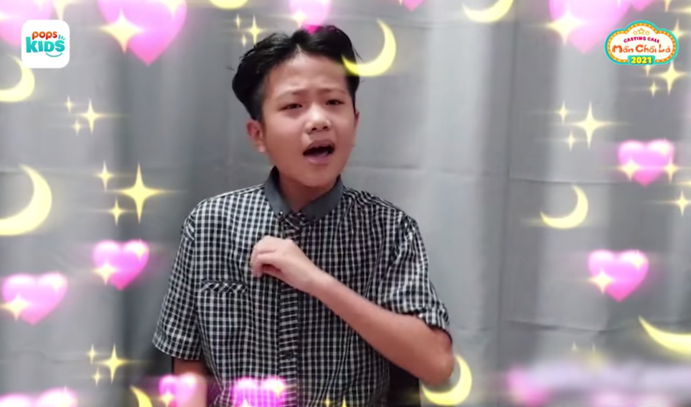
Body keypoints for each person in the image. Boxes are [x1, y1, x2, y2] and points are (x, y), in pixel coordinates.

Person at [152, 24, 454, 407]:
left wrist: (318, 282)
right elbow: (187, 358)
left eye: (333, 102)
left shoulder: (390, 230)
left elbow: (436, 365)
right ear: (258, 134)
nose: (318, 120)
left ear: (355, 121)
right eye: (294, 106)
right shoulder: (210, 224)